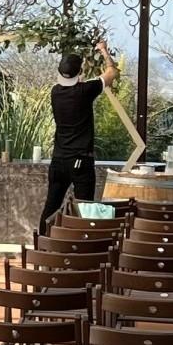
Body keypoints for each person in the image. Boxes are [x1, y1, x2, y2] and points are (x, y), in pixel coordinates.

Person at [38, 40, 119, 233]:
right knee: (85, 209)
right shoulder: (85, 91)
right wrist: (104, 51)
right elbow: (112, 73)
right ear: (79, 73)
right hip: (80, 161)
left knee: (51, 207)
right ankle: (82, 249)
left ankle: (42, 246)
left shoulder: (55, 92)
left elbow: (73, 84)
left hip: (58, 160)